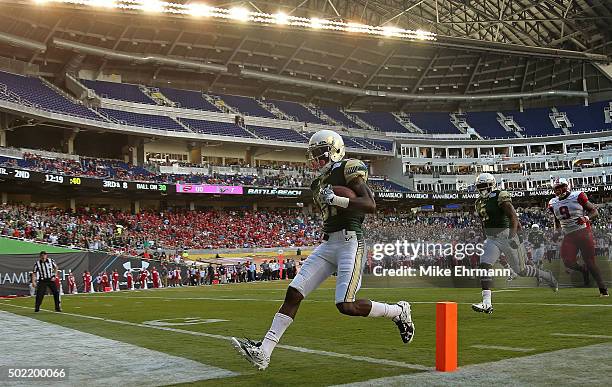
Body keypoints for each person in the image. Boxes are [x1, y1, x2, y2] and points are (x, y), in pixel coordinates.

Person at [231, 129, 414, 371]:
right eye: (313, 154)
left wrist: (339, 200)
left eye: (320, 153)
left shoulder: (349, 167)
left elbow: (369, 205)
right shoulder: (317, 182)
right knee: (294, 293)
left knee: (345, 306)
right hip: (328, 243)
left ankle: (398, 311)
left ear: (334, 150)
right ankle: (264, 352)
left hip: (350, 241)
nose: (315, 159)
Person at [471, 173, 558, 314]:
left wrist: (513, 236)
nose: (482, 189)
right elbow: (483, 221)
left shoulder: (500, 195)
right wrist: (485, 236)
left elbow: (513, 216)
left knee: (521, 271)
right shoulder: (478, 202)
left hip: (506, 235)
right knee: (484, 265)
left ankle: (546, 276)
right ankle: (486, 303)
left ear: (491, 184)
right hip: (492, 238)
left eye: (484, 185)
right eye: (479, 186)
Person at [548, 178, 608, 296]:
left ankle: (603, 289)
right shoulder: (552, 203)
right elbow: (556, 218)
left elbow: (594, 211)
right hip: (569, 235)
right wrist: (557, 231)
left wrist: (586, 218)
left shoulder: (578, 195)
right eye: (557, 188)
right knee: (568, 262)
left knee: (590, 262)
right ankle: (583, 270)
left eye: (562, 187)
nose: (560, 190)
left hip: (583, 232)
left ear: (568, 186)